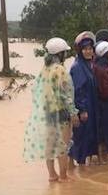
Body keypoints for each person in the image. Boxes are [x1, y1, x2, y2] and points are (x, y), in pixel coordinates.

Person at [23, 37, 79, 182]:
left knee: (50, 145)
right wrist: (73, 113)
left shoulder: (44, 70)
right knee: (63, 146)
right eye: (64, 53)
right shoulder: (60, 70)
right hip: (61, 112)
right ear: (60, 54)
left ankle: (52, 175)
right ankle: (63, 177)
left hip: (48, 113)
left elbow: (36, 91)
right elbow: (65, 94)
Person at [69, 31, 100, 165]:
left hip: (91, 106)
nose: (88, 52)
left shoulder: (88, 65)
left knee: (88, 137)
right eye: (85, 49)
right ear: (80, 51)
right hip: (84, 108)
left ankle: (83, 169)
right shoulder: (77, 67)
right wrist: (82, 110)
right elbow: (78, 90)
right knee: (80, 137)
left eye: (90, 49)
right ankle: (75, 167)